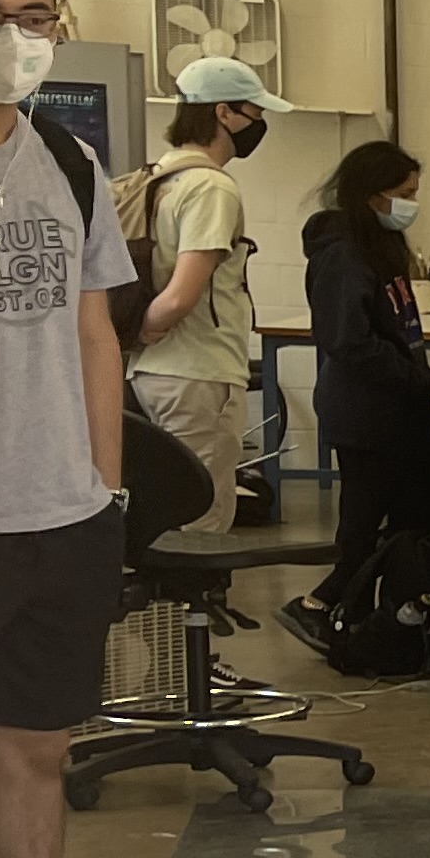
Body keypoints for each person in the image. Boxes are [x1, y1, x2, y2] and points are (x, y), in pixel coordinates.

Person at [0, 0, 182, 858]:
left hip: (60, 508)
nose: (14, 38)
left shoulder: (67, 160)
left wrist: (108, 488)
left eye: (34, 19)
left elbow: (101, 331)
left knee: (37, 744)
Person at [283, 144, 430, 654]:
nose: (411, 204)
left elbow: (392, 328)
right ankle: (322, 607)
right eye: (403, 195)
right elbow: (348, 340)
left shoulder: (381, 247)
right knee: (363, 526)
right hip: (368, 414)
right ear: (371, 197)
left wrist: (426, 372)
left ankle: (386, 620)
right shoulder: (345, 252)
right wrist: (416, 377)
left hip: (400, 410)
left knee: (414, 523)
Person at [128, 56, 282, 540]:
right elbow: (180, 296)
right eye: (254, 113)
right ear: (224, 113)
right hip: (197, 372)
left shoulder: (159, 177)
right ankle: (189, 616)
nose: (259, 125)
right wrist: (148, 325)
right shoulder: (211, 187)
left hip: (153, 373)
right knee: (200, 520)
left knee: (163, 509)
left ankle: (173, 616)